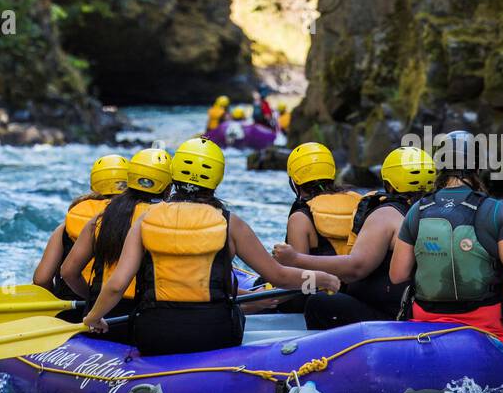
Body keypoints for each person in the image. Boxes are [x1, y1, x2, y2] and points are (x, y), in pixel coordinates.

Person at [83, 137, 341, 355]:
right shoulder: (230, 223)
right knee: (234, 311)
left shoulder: (145, 220)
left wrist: (93, 318)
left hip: (154, 333)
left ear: (173, 176)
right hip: (215, 332)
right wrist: (322, 278)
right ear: (216, 179)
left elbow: (116, 285)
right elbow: (279, 275)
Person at [389, 131, 503, 352]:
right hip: (486, 327)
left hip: (426, 325)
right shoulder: (495, 211)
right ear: (477, 167)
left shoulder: (417, 210)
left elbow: (397, 274)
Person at [274, 146, 436, 328]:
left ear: (388, 182)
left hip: (390, 314)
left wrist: (295, 259)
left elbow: (356, 269)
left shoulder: (385, 214)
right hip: (416, 307)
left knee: (319, 303)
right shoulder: (437, 212)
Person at [61, 147, 173, 341]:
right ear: (168, 188)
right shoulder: (165, 221)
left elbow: (68, 272)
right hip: (144, 321)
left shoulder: (101, 218)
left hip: (100, 319)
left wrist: (93, 301)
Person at [33, 154, 129, 299]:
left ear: (93, 187)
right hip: (117, 306)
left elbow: (41, 279)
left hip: (70, 307)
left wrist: (54, 299)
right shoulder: (135, 220)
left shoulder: (65, 227)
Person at [284, 142, 361, 255]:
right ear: (332, 173)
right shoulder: (361, 204)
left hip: (317, 273)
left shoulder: (300, 219)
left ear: (294, 181)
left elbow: (295, 268)